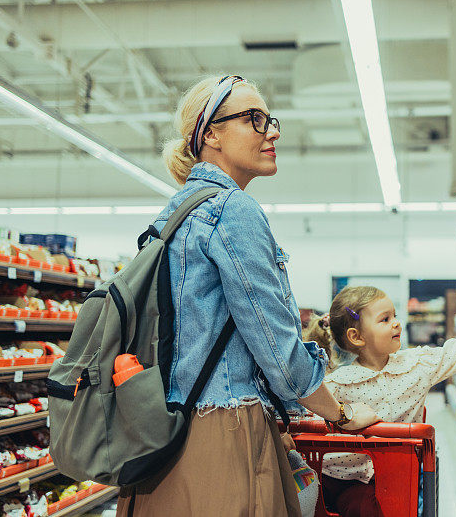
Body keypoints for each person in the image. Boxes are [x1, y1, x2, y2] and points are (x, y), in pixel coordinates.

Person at [116, 75, 380, 517]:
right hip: (222, 437)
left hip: (162, 436)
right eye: (255, 119)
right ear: (211, 133)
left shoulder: (176, 211)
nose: (272, 131)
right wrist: (341, 414)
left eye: (269, 119)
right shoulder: (232, 210)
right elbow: (280, 353)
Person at [315, 285, 456, 517]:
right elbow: (310, 413)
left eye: (395, 315)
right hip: (342, 477)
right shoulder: (338, 383)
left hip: (397, 476)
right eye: (385, 319)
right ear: (356, 336)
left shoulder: (415, 365)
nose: (396, 323)